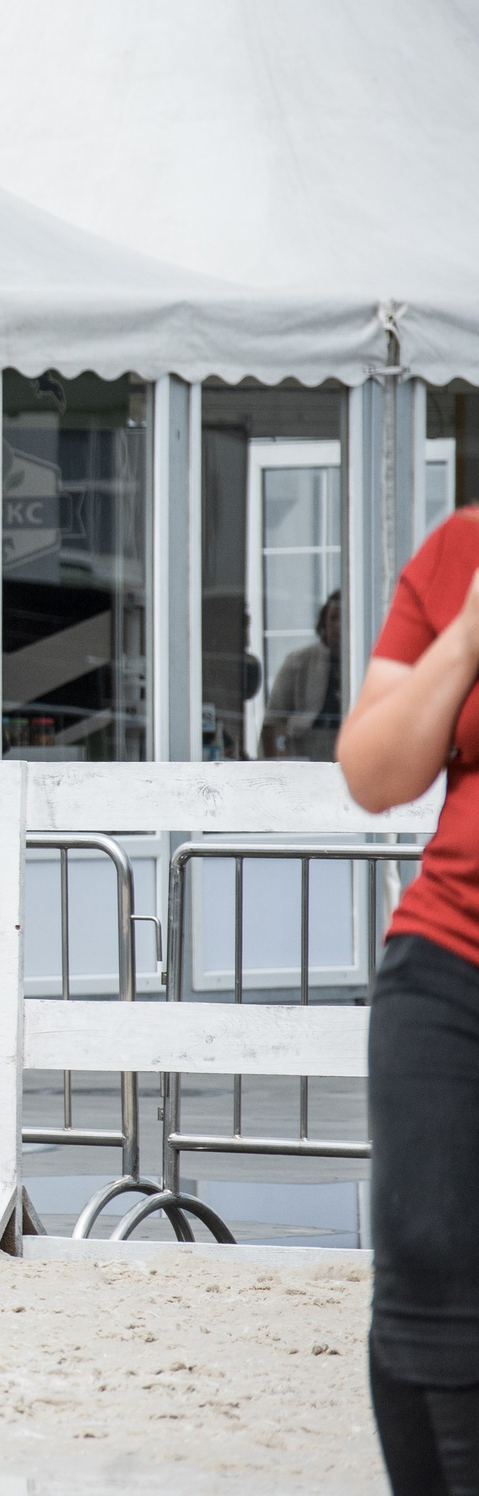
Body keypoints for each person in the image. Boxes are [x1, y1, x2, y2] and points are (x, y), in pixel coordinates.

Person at [336, 512, 479, 1493]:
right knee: (425, 1255)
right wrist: (468, 632)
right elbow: (374, 771)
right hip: (449, 952)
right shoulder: (457, 549)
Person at [264, 591, 344, 762]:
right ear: (323, 622)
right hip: (304, 751)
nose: (338, 626)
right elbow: (273, 721)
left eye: (344, 618)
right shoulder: (299, 661)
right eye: (333, 618)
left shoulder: (370, 664)